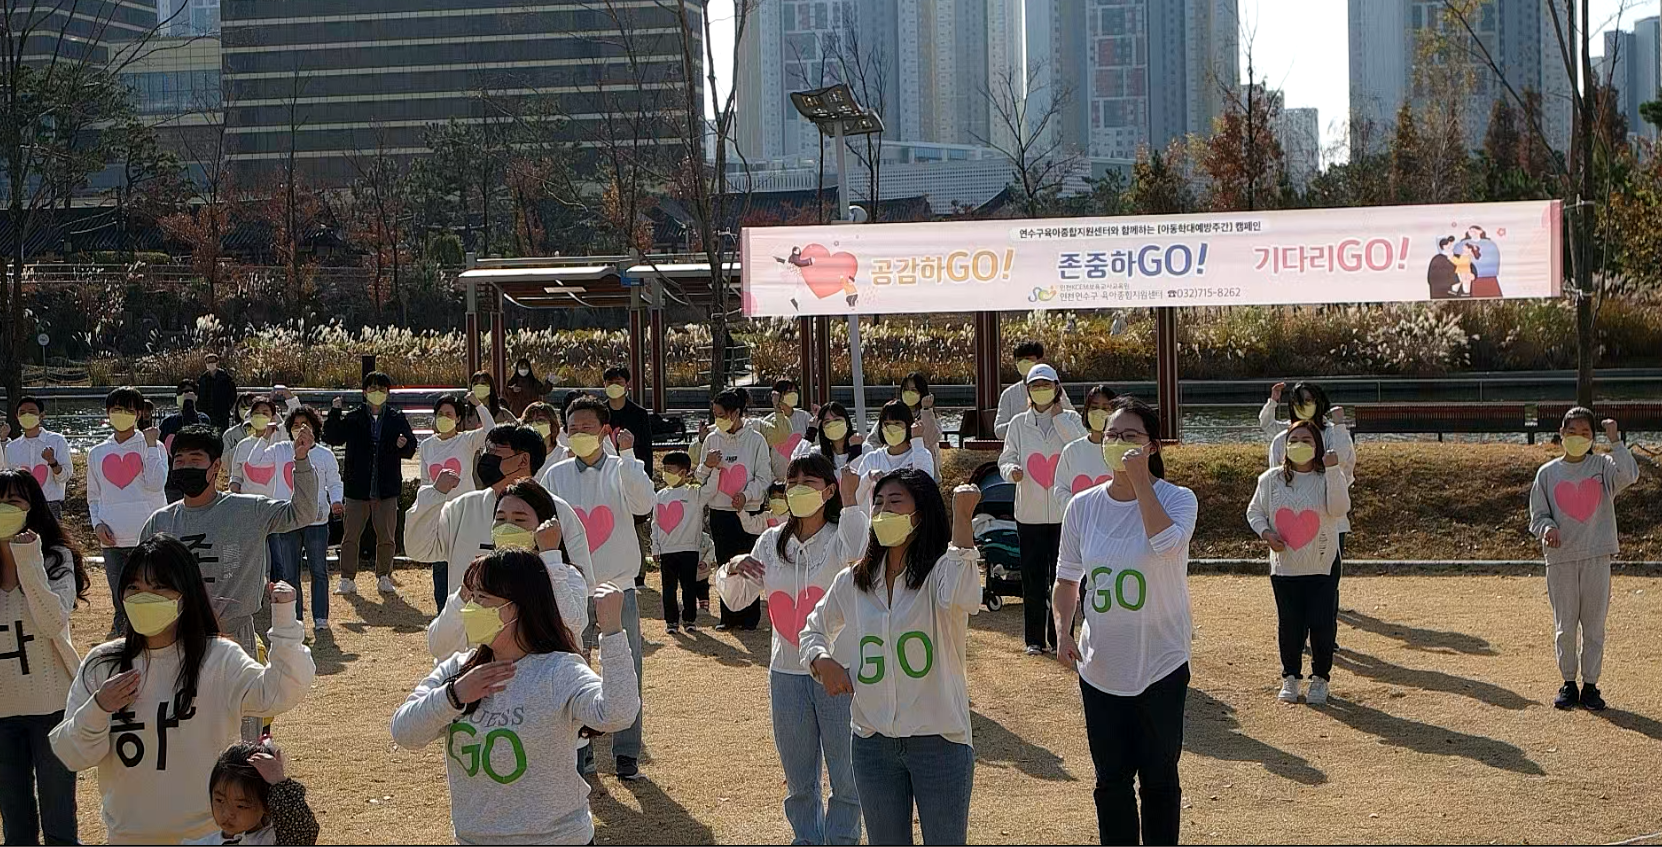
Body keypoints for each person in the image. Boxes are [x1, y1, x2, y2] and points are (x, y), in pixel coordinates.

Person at [50, 536, 314, 844]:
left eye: (159, 587)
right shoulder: (102, 664)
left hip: (207, 837)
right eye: (134, 588)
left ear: (185, 595)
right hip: (127, 838)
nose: (144, 597)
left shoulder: (218, 658)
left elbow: (281, 691)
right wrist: (98, 707)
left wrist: (284, 623)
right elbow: (72, 754)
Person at [391, 552, 639, 846]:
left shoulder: (558, 670)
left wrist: (612, 632)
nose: (471, 608)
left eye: (483, 598)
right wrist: (454, 695)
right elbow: (403, 732)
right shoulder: (458, 669)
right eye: (472, 597)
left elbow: (618, 714)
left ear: (517, 608)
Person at [800, 469, 984, 846]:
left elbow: (965, 594)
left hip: (939, 743)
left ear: (921, 514)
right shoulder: (854, 581)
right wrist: (821, 660)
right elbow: (812, 629)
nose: (883, 512)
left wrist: (963, 519)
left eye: (895, 502)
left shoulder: (939, 574)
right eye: (878, 503)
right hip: (872, 743)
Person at [1052, 396, 1198, 847]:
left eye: (1131, 436)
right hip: (1101, 669)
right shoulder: (1082, 506)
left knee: (1159, 779)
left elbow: (1164, 545)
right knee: (1110, 781)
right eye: (1112, 435)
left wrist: (1140, 483)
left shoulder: (1179, 499)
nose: (1118, 443)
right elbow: (1066, 579)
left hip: (1161, 665)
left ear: (1153, 446)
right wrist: (1062, 629)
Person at [716, 454, 865, 845]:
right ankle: (807, 839)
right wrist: (732, 567)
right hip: (786, 673)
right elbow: (736, 600)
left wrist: (851, 500)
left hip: (838, 668)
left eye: (809, 482)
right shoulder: (770, 541)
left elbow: (860, 551)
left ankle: (842, 840)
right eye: (791, 481)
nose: (797, 489)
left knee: (846, 776)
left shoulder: (839, 536)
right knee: (799, 779)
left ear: (828, 490)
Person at [140, 424, 318, 740]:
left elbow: (301, 513)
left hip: (236, 638)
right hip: (175, 642)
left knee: (240, 738)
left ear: (216, 467)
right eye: (179, 460)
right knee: (182, 736)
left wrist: (301, 461)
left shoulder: (247, 509)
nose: (185, 467)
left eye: (195, 460)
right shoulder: (160, 522)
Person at [537, 395, 654, 780]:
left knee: (625, 667)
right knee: (573, 668)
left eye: (587, 428)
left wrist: (629, 454)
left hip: (619, 586)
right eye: (573, 429)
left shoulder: (622, 469)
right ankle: (580, 752)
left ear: (604, 430)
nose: (579, 434)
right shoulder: (556, 475)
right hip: (571, 587)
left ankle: (626, 752)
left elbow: (644, 503)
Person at [405, 423, 593, 618]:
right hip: (470, 638)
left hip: (536, 639)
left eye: (496, 455)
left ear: (523, 460)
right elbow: (419, 549)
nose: (487, 461)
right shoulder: (463, 508)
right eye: (487, 452)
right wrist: (434, 496)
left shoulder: (559, 513)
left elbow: (582, 585)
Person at [0, 469, 88, 847]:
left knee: (59, 821)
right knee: (15, 822)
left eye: (14, 502)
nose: (5, 510)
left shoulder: (56, 558)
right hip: (2, 711)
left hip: (52, 707)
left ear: (32, 507)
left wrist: (27, 558)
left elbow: (53, 622)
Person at [1529, 409, 1638, 711]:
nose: (1579, 437)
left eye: (1586, 433)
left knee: (1594, 626)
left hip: (1596, 555)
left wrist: (1615, 441)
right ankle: (1568, 683)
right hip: (1561, 559)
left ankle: (1590, 685)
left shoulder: (1602, 467)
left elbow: (1629, 475)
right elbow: (1537, 515)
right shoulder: (1548, 473)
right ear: (1561, 433)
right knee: (1565, 626)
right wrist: (1548, 527)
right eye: (1573, 431)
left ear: (1593, 437)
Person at [1246, 420, 1351, 705]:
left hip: (1323, 564)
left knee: (1322, 624)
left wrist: (1332, 470)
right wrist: (1267, 533)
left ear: (1317, 446)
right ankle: (1290, 677)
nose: (1299, 446)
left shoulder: (1328, 475)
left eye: (1307, 440)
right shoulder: (1270, 480)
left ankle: (1320, 679)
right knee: (1289, 625)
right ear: (1285, 445)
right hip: (1285, 567)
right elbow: (1254, 512)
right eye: (1294, 440)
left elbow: (1340, 508)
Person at [425, 478, 589, 661]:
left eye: (519, 519)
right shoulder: (484, 580)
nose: (507, 527)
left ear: (543, 524)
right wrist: (462, 598)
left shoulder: (565, 575)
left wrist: (550, 557)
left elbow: (571, 624)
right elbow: (439, 646)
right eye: (500, 519)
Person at [1000, 364, 1087, 656]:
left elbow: (1080, 448)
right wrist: (1011, 469)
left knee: (1064, 577)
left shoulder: (1072, 419)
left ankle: (1061, 635)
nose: (1041, 391)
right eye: (1035, 386)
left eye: (1046, 385)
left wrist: (1061, 418)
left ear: (1057, 387)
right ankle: (1034, 639)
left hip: (1065, 515)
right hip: (1030, 513)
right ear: (1028, 391)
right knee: (1033, 577)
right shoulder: (1018, 424)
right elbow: (1006, 457)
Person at [1257, 380, 1356, 604]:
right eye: (1299, 402)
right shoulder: (1284, 437)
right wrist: (1273, 400)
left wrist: (1340, 424)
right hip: (1291, 517)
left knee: (1328, 577)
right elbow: (1275, 477)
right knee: (1293, 581)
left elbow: (1341, 460)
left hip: (1328, 514)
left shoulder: (1330, 432)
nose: (1305, 406)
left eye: (1309, 401)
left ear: (1319, 402)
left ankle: (1326, 626)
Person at [323, 372, 417, 596]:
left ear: (388, 393)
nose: (377, 393)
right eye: (373, 389)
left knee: (386, 536)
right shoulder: (355, 417)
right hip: (358, 487)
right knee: (350, 535)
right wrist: (335, 412)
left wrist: (402, 445)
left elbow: (411, 446)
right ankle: (347, 578)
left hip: (386, 487)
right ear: (364, 392)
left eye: (382, 389)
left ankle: (384, 575)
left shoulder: (396, 418)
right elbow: (333, 436)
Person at [86, 387, 169, 634]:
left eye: (129, 410)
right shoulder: (97, 452)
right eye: (116, 410)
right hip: (112, 538)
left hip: (148, 535)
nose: (122, 415)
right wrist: (97, 525)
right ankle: (122, 638)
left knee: (152, 592)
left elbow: (157, 483)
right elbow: (93, 497)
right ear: (108, 413)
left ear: (139, 413)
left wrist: (152, 445)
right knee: (120, 595)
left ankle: (154, 634)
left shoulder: (152, 446)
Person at [697, 389, 772, 631]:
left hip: (748, 512)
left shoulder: (756, 440)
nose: (717, 419)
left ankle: (749, 618)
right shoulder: (712, 439)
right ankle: (727, 616)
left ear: (736, 413)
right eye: (715, 414)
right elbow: (700, 476)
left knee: (748, 562)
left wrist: (747, 495)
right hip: (720, 511)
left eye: (721, 414)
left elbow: (764, 477)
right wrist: (707, 465)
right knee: (725, 564)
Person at [417, 392, 498, 609]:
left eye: (449, 414)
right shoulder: (426, 446)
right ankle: (443, 612)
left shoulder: (466, 441)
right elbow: (425, 481)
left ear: (458, 419)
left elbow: (491, 431)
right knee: (440, 567)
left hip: (465, 514)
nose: (444, 417)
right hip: (440, 515)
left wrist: (478, 405)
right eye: (440, 414)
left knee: (467, 563)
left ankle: (471, 608)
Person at [278, 407, 343, 631]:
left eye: (305, 424)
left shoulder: (325, 455)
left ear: (315, 428)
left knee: (318, 570)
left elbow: (335, 482)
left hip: (317, 521)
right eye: (296, 425)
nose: (300, 429)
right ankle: (294, 619)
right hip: (289, 520)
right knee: (290, 573)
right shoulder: (283, 452)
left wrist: (336, 501)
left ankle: (320, 618)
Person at [186, 740, 319, 846]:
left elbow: (303, 832)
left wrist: (279, 783)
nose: (227, 813)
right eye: (219, 800)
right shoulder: (202, 842)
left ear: (266, 804)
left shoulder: (273, 839)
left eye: (241, 806)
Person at [652, 451, 717, 633]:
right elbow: (655, 523)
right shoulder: (660, 495)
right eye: (664, 469)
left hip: (689, 550)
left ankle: (689, 620)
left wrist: (715, 467)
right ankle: (671, 622)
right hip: (666, 551)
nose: (666, 473)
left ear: (683, 472)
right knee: (669, 589)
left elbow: (711, 488)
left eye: (670, 469)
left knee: (689, 587)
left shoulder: (694, 493)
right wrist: (655, 547)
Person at [603, 366, 655, 588]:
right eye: (610, 382)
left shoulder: (639, 414)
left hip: (633, 473)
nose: (614, 385)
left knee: (636, 524)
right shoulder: (600, 413)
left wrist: (645, 478)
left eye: (619, 381)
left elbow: (647, 450)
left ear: (628, 385)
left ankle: (639, 572)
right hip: (608, 478)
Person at [850, 401, 937, 508]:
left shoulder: (921, 454)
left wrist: (917, 441)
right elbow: (856, 499)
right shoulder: (872, 459)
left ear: (908, 425)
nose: (892, 429)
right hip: (879, 522)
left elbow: (926, 489)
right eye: (887, 424)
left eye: (897, 423)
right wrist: (868, 477)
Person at [0, 397, 73, 520]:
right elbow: (9, 482)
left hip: (50, 504)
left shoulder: (57, 441)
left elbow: (64, 477)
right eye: (22, 413)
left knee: (51, 539)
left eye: (32, 412)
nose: (27, 415)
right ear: (17, 417)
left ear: (42, 415)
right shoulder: (11, 447)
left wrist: (52, 462)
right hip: (21, 507)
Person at [1052, 384, 1117, 511]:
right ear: (1086, 411)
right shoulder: (1071, 451)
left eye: (1105, 408)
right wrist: (1078, 510)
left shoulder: (1120, 451)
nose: (1099, 412)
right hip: (1079, 525)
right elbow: (1060, 489)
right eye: (1094, 407)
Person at [992, 341, 1073, 439]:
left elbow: (1072, 418)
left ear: (1039, 360)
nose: (1023, 363)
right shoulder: (1008, 395)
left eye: (1027, 359)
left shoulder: (1053, 390)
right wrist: (1023, 424)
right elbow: (999, 431)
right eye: (1020, 360)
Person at [870, 371, 942, 473]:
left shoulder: (929, 414)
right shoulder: (892, 412)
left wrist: (926, 410)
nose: (909, 393)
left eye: (913, 390)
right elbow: (873, 439)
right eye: (906, 390)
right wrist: (882, 458)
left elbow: (931, 439)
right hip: (891, 472)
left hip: (924, 469)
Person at [761, 378, 813, 481]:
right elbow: (763, 455)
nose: (793, 394)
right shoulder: (767, 421)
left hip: (803, 478)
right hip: (778, 481)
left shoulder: (805, 417)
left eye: (795, 391)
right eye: (789, 392)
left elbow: (814, 445)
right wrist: (772, 479)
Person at [793, 402, 864, 472]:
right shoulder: (818, 454)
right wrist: (810, 433)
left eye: (837, 420)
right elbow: (795, 463)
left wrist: (855, 451)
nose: (833, 424)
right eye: (827, 422)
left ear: (847, 423)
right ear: (822, 428)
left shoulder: (863, 449)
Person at [160, 380, 212, 450]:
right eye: (180, 392)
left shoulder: (203, 418)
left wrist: (189, 404)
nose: (183, 395)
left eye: (188, 391)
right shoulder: (168, 422)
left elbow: (192, 432)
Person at [198, 353, 238, 432]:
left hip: (222, 414)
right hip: (207, 414)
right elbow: (199, 395)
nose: (211, 364)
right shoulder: (203, 379)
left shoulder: (225, 377)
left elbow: (232, 394)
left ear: (217, 362)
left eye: (213, 362)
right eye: (209, 362)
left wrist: (227, 407)